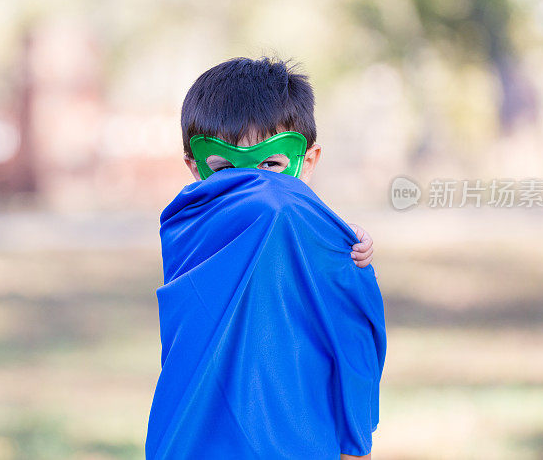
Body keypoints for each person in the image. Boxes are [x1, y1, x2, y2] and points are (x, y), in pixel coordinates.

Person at [146, 57, 387, 459]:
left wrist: (344, 252)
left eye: (270, 165)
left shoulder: (315, 230)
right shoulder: (188, 225)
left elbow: (351, 329)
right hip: (197, 432)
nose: (254, 190)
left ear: (306, 162)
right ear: (194, 166)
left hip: (294, 430)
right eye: (227, 170)